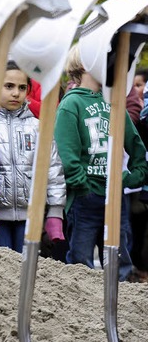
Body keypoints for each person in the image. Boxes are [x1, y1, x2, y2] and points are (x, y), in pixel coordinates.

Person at [55, 45, 148, 281]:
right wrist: (83, 186)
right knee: (80, 263)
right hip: (85, 198)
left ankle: (118, 311)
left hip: (115, 195)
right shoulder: (70, 104)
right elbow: (68, 154)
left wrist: (132, 177)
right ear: (86, 65)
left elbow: (136, 145)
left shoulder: (115, 104)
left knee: (119, 261)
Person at [0, 61, 66, 252]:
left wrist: (55, 211)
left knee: (25, 267)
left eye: (22, 87)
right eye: (9, 86)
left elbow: (53, 168)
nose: (16, 93)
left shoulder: (37, 126)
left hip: (31, 214)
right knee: (2, 267)